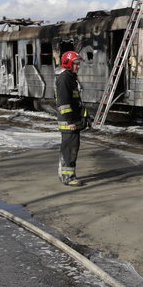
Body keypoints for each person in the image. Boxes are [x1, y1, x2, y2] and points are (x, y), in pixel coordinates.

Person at [55, 50, 90, 186]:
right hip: (69, 123)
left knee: (71, 148)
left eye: (79, 63)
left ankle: (65, 174)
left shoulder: (70, 77)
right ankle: (68, 177)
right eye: (76, 63)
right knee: (70, 149)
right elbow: (63, 103)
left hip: (72, 121)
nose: (78, 66)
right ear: (68, 64)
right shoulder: (65, 79)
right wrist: (70, 121)